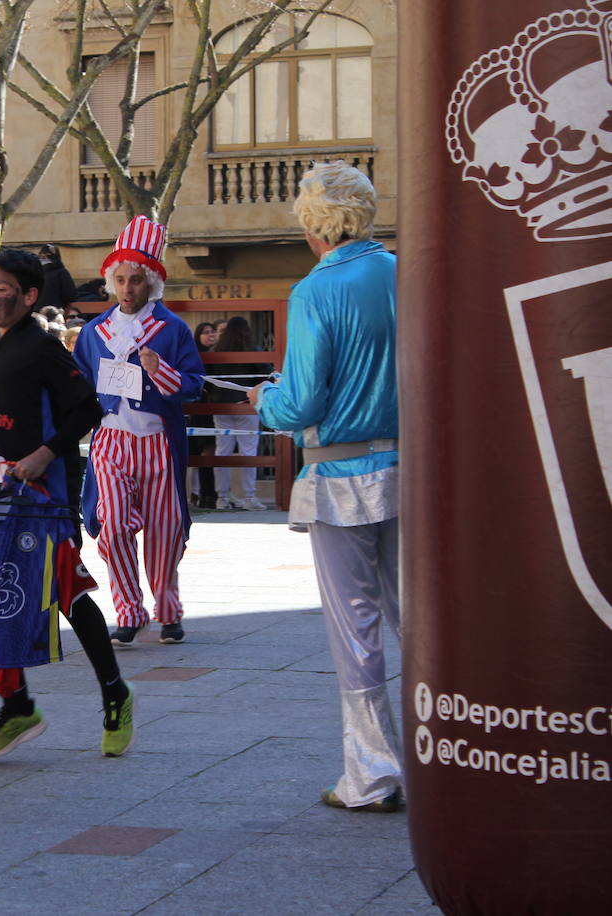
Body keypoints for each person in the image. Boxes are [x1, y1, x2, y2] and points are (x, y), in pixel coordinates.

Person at [251, 161, 401, 814]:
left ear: (314, 223)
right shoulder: (403, 273)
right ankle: (455, 751)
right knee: (423, 619)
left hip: (340, 476)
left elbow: (301, 400)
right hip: (412, 468)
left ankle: (372, 775)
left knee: (356, 631)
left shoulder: (316, 290)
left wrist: (266, 398)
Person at [0, 248, 134, 759]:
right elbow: (0, 420)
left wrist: (43, 454)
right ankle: (17, 706)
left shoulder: (46, 348)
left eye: (2, 288)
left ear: (30, 296)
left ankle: (116, 694)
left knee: (69, 597)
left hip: (45, 497)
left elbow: (88, 409)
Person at [73, 216, 205, 648]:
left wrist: (159, 370)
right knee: (112, 528)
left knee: (165, 531)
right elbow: (76, 386)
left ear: (150, 283)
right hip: (110, 440)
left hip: (158, 441)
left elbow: (194, 386)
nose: (127, 288)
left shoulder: (173, 330)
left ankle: (168, 612)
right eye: (120, 280)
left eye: (135, 280)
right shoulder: (94, 333)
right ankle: (129, 610)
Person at [209, 316, 272, 510]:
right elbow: (266, 374)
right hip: (247, 405)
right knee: (249, 450)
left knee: (223, 451)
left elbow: (207, 377)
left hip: (221, 406)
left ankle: (222, 497)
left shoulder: (215, 351)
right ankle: (249, 497)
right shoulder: (254, 351)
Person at [189, 321, 220, 510]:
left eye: (213, 331)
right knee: (195, 453)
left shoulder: (221, 354)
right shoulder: (194, 355)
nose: (211, 335)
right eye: (206, 332)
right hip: (197, 409)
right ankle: (196, 494)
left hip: (213, 411)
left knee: (210, 453)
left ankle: (210, 495)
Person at [36, 243, 78, 312]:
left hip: (37, 312)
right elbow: (70, 295)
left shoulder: (34, 271)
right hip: (56, 312)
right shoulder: (61, 272)